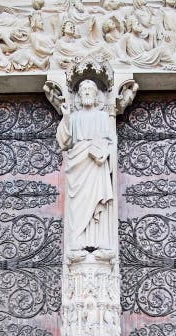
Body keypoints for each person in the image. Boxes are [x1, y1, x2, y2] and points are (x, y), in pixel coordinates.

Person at [56, 79, 116, 251]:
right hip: (78, 166)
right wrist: (66, 117)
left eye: (91, 90)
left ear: (97, 96)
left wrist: (105, 152)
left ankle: (99, 240)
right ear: (80, 96)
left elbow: (113, 142)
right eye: (84, 91)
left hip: (97, 165)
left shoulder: (103, 117)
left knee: (97, 201)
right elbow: (64, 142)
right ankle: (77, 240)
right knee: (79, 204)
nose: (87, 93)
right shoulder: (73, 117)